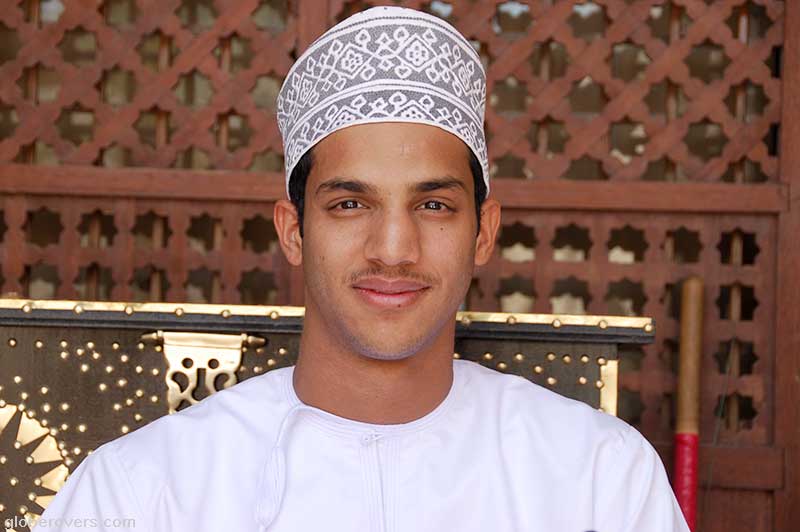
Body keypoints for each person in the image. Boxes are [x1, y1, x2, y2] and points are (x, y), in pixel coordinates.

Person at [33, 6, 690, 532]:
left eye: (433, 205)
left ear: (484, 232)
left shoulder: (598, 478)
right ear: (293, 231)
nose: (394, 249)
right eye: (351, 204)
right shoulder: (144, 489)